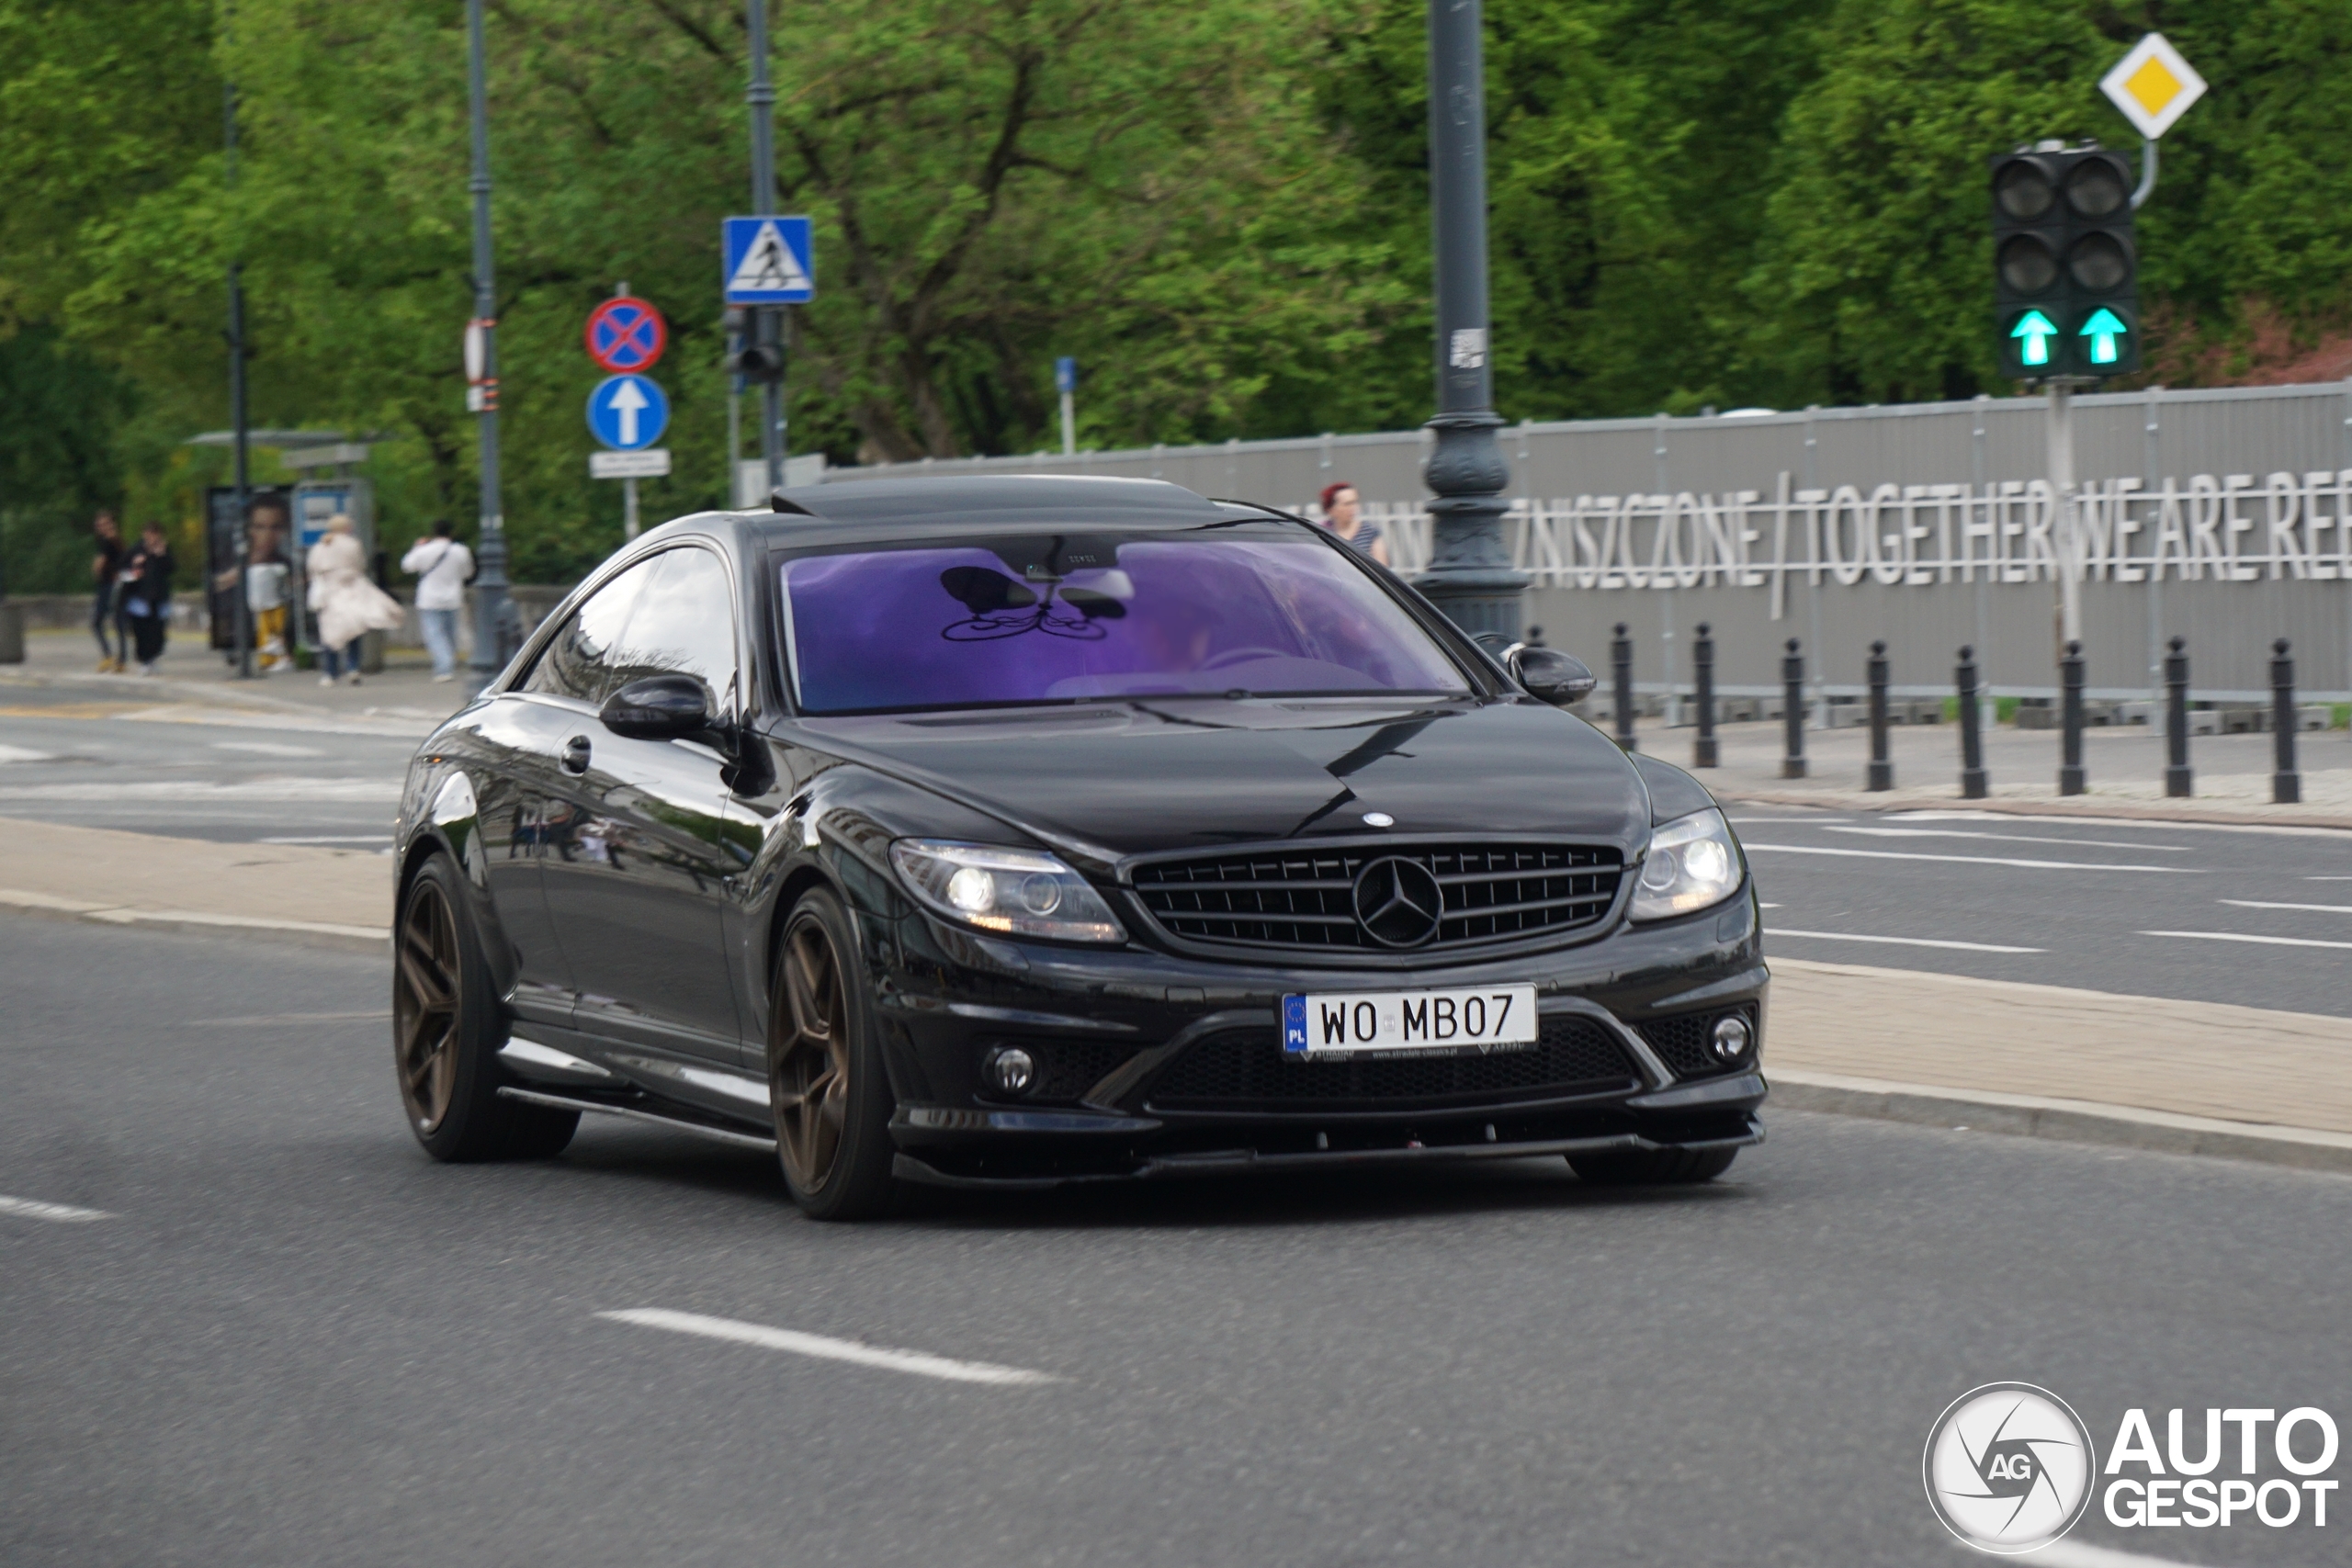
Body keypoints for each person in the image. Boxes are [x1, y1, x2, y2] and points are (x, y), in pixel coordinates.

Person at [306, 514, 404, 686]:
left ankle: (330, 673)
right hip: (351, 589)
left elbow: (312, 567)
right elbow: (360, 565)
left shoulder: (320, 546)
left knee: (329, 633)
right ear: (347, 528)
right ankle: (353, 668)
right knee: (354, 628)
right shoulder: (353, 544)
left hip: (328, 592)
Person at [400, 519, 473, 682]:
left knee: (434, 634)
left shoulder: (424, 550)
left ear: (434, 532)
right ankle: (448, 663)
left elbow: (406, 566)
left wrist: (416, 547)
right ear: (451, 532)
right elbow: (467, 573)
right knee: (450, 633)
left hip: (429, 598)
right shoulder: (461, 551)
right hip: (453, 597)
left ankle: (444, 667)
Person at [117, 523, 175, 674]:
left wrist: (162, 555)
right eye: (149, 534)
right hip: (139, 597)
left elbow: (172, 568)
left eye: (155, 534)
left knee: (158, 631)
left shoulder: (163, 550)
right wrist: (133, 569)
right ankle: (144, 660)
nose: (152, 538)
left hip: (159, 597)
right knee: (141, 630)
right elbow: (122, 568)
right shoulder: (135, 550)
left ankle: (153, 658)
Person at [1317, 481, 1388, 566]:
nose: (1353, 508)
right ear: (1331, 509)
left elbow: (1382, 568)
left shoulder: (1370, 533)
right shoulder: (1321, 533)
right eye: (1347, 504)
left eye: (1355, 502)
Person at [90, 512, 124, 671]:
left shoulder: (107, 542)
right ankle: (120, 659)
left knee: (97, 622)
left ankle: (109, 656)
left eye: (105, 524)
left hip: (108, 585)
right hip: (116, 584)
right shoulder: (118, 541)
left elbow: (99, 564)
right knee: (117, 621)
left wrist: (97, 571)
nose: (102, 528)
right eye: (99, 525)